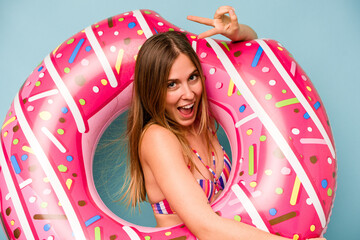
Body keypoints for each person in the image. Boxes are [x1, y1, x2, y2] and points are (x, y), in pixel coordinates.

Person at [123, 5, 326, 240]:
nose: (188, 93)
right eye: (172, 84)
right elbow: (205, 227)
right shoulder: (157, 138)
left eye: (192, 77)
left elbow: (256, 68)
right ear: (152, 90)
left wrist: (239, 34)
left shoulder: (203, 123)